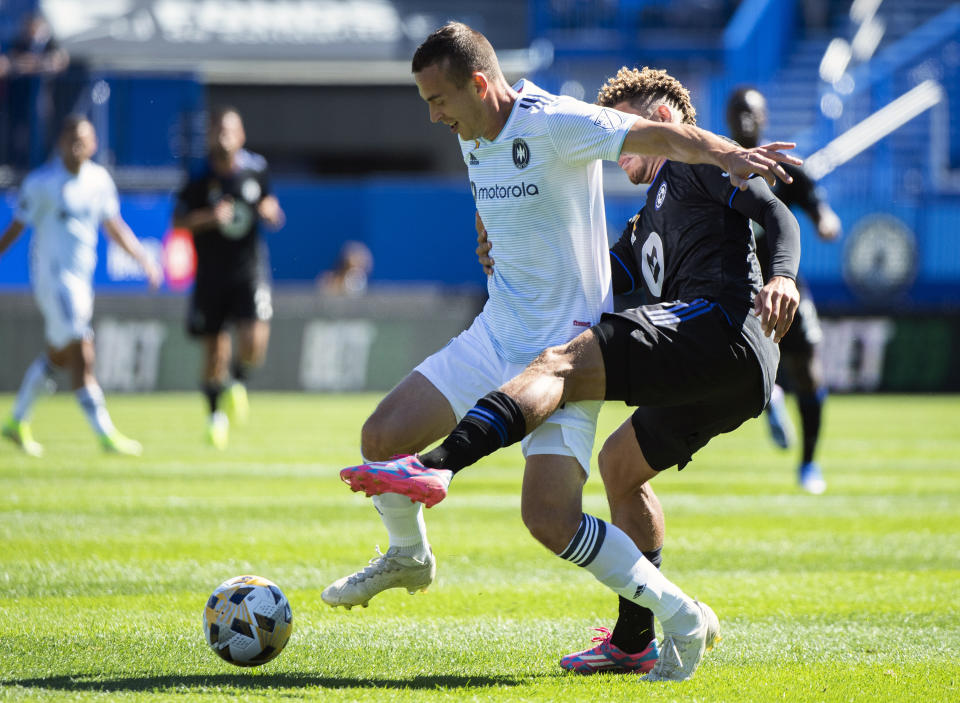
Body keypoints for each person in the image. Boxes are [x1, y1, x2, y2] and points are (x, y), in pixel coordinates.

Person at [323, 20, 798, 671]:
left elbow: (666, 137)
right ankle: (411, 555)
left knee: (548, 516)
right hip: (496, 336)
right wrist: (489, 233)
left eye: (438, 101)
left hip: (571, 354)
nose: (433, 116)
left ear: (480, 85)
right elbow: (570, 241)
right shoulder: (479, 136)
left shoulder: (558, 121)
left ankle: (675, 613)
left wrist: (725, 153)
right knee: (383, 435)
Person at [0, 115, 162, 456]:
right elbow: (17, 227)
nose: (77, 144)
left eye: (83, 139)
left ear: (94, 144)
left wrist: (144, 260)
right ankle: (105, 435)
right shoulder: (42, 182)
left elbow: (114, 225)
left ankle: (16, 421)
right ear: (60, 143)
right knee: (83, 351)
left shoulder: (99, 181)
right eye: (71, 138)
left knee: (58, 356)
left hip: (81, 282)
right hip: (54, 281)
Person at [726, 87, 841, 494]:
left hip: (783, 285)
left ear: (764, 118)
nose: (744, 119)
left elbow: (815, 203)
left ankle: (809, 465)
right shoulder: (711, 163)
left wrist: (825, 219)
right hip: (734, 289)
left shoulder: (781, 165)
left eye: (751, 112)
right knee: (737, 369)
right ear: (727, 116)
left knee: (809, 372)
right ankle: (769, 396)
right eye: (737, 111)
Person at [172, 107, 284, 450]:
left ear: (241, 136)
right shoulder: (197, 176)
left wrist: (270, 212)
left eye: (229, 130)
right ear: (209, 136)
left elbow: (273, 210)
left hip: (248, 271)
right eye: (217, 130)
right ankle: (214, 417)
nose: (223, 137)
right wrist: (209, 217)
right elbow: (178, 222)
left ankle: (238, 382)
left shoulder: (256, 170)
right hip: (211, 275)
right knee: (214, 351)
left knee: (253, 344)